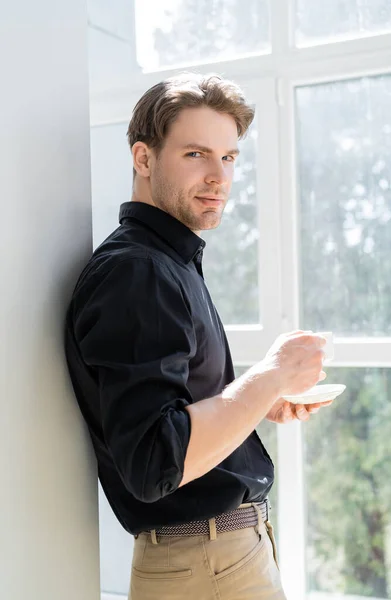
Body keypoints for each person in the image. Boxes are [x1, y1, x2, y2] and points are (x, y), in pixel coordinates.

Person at [64, 72, 333, 600]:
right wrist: (272, 374)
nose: (219, 176)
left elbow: (179, 415)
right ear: (143, 159)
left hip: (219, 557)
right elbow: (155, 462)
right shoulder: (139, 272)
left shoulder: (166, 261)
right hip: (206, 564)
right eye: (196, 155)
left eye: (229, 157)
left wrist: (261, 401)